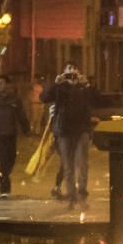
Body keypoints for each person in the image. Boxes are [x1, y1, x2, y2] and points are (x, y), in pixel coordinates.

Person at [40, 63, 95, 204]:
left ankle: (81, 190)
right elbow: (44, 97)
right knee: (67, 165)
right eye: (68, 71)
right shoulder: (60, 88)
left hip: (81, 130)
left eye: (74, 71)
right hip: (64, 131)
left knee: (82, 163)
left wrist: (87, 85)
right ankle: (71, 193)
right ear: (64, 73)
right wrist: (56, 84)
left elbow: (98, 100)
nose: (71, 74)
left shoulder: (83, 88)